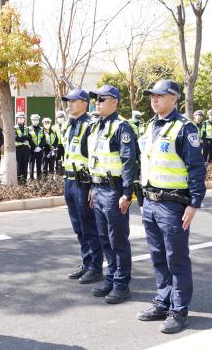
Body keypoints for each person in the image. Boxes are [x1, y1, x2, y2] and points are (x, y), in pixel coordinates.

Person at [136, 79, 207, 334]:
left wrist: (194, 203)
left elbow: (197, 168)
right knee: (158, 258)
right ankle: (163, 302)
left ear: (174, 98)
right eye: (152, 95)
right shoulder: (150, 126)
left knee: (176, 259)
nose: (154, 99)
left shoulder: (184, 128)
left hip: (173, 206)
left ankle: (179, 310)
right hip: (151, 204)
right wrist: (142, 201)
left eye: (160, 95)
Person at [87, 85, 138, 304]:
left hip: (113, 190)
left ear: (115, 101)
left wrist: (127, 194)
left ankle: (121, 284)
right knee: (103, 238)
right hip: (97, 188)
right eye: (95, 99)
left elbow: (129, 162)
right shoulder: (97, 126)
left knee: (117, 240)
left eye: (101, 99)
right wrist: (91, 185)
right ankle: (111, 278)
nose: (96, 102)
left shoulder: (122, 127)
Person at [61, 88, 103, 285]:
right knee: (78, 226)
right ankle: (87, 262)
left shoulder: (90, 125)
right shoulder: (70, 124)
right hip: (69, 181)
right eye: (68, 101)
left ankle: (96, 267)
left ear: (85, 103)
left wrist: (95, 185)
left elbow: (97, 158)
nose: (69, 104)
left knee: (88, 226)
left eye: (73, 101)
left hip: (84, 183)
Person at [14, 112, 31, 184]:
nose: (21, 119)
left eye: (22, 118)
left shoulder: (27, 128)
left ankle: (25, 181)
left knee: (25, 165)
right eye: (19, 118)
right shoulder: (14, 128)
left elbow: (29, 138)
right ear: (17, 119)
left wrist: (22, 137)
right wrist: (24, 138)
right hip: (18, 149)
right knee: (19, 165)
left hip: (26, 149)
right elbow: (16, 138)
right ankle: (19, 182)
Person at [28, 114, 44, 180]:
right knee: (31, 165)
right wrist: (34, 147)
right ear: (31, 120)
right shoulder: (28, 129)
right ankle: (31, 179)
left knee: (39, 165)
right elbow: (29, 139)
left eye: (36, 119)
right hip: (32, 150)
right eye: (34, 120)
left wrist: (40, 147)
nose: (35, 121)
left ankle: (39, 179)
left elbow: (43, 139)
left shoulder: (42, 129)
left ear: (39, 120)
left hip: (40, 150)